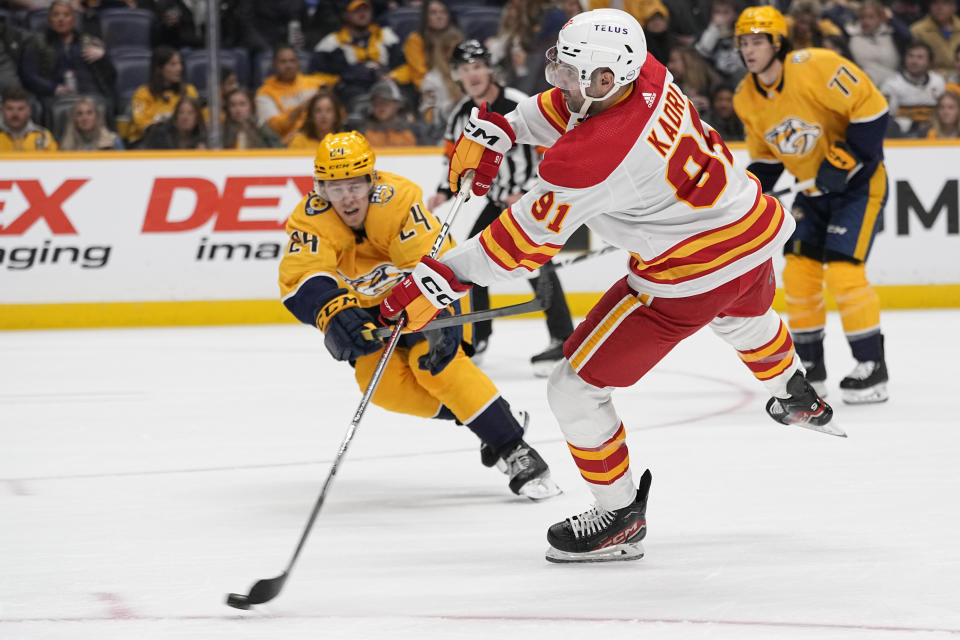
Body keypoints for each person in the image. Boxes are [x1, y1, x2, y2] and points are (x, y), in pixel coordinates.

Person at [380, 8, 841, 564]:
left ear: (605, 78)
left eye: (574, 73)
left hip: (689, 272)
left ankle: (618, 515)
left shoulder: (595, 157)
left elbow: (517, 246)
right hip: (749, 230)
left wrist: (441, 280)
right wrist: (508, 127)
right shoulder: (642, 68)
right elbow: (570, 108)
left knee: (572, 389)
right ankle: (792, 389)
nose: (561, 81)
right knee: (743, 316)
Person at [277, 130, 561, 501]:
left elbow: (428, 261)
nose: (347, 197)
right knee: (380, 387)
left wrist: (433, 313)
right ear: (320, 189)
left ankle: (513, 447)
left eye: (355, 185)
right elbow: (303, 274)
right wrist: (333, 314)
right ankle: (491, 417)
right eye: (335, 187)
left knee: (435, 366)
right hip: (370, 311)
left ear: (371, 180)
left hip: (434, 292)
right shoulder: (309, 220)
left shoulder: (399, 199)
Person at [733, 6, 891, 404]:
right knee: (800, 273)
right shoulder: (746, 98)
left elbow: (873, 110)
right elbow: (767, 162)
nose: (749, 51)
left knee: (843, 272)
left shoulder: (815, 66)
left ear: (777, 43)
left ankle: (872, 367)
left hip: (859, 187)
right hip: (812, 195)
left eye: (757, 42)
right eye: (743, 43)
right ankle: (811, 368)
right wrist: (742, 199)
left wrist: (847, 158)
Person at [427, 39, 575, 375]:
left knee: (538, 262)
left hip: (530, 199)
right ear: (457, 75)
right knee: (473, 260)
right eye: (465, 69)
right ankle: (479, 338)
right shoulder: (461, 113)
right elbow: (454, 159)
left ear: (489, 68)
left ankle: (563, 340)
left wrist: (527, 190)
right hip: (497, 202)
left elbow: (552, 151)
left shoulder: (518, 104)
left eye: (478, 66)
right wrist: (441, 191)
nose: (473, 74)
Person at [18, 0, 116, 111]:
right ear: (49, 19)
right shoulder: (37, 43)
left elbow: (111, 76)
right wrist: (53, 88)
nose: (61, 19)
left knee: (100, 105)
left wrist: (104, 57)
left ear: (73, 19)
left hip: (89, 94)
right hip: (54, 96)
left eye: (66, 15)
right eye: (56, 15)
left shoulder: (89, 42)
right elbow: (29, 75)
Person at [313, 0, 404, 107]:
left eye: (366, 9)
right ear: (345, 14)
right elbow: (316, 77)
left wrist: (392, 76)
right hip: (350, 95)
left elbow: (405, 66)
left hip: (386, 87)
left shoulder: (387, 36)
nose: (362, 14)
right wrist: (341, 80)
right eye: (356, 10)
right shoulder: (331, 44)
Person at [255, 45, 338, 145]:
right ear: (274, 64)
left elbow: (337, 113)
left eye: (292, 61)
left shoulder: (315, 83)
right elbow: (274, 127)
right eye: (283, 61)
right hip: (286, 145)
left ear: (298, 63)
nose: (288, 65)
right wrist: (302, 107)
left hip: (320, 138)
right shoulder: (264, 93)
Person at [128, 46, 198, 144]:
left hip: (182, 142)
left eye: (179, 63)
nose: (179, 68)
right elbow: (141, 124)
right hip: (147, 145)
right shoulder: (143, 94)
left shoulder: (189, 91)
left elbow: (196, 120)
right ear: (159, 68)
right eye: (173, 64)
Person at [881, 41, 946, 137]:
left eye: (920, 57)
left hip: (933, 134)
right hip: (902, 136)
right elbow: (887, 120)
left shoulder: (938, 81)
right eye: (910, 56)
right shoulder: (891, 84)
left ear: (929, 62)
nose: (914, 61)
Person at [354, 77, 419, 146]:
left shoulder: (414, 130)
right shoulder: (362, 133)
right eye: (376, 102)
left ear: (397, 104)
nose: (380, 106)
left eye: (385, 102)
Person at [909, 0, 960, 78]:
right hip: (931, 78)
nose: (939, 8)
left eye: (945, 3)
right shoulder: (918, 30)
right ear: (929, 7)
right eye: (935, 3)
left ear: (954, 7)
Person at [0, 86, 58, 151]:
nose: (15, 114)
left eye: (20, 109)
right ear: (2, 110)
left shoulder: (43, 136)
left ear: (29, 111)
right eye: (9, 108)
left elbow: (55, 160)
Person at [141, 95, 206, 149]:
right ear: (175, 117)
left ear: (197, 118)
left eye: (190, 113)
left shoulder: (203, 138)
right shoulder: (160, 137)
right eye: (181, 112)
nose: (185, 117)